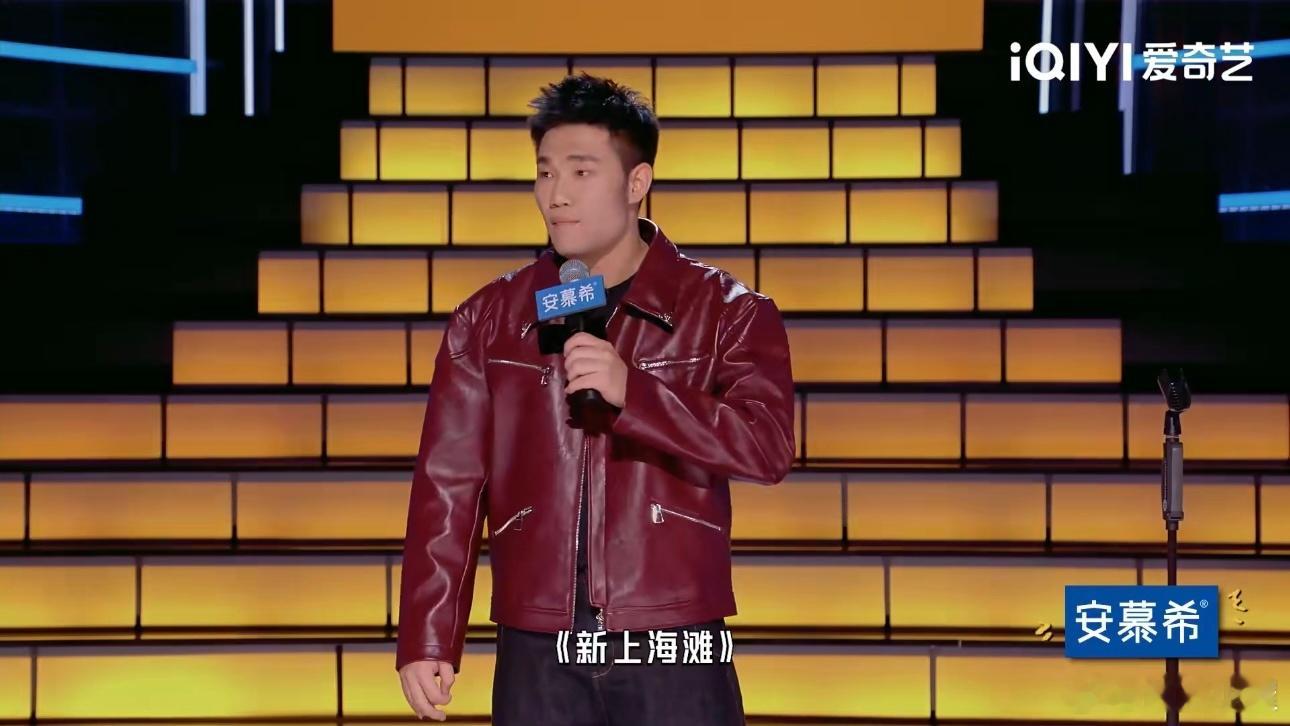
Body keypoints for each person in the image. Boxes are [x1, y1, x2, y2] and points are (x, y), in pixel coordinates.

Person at [395, 72, 795, 725]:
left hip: (674, 635)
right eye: (545, 173)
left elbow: (766, 445)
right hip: (537, 640)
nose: (556, 195)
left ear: (637, 183)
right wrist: (429, 634)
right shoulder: (488, 319)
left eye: (581, 173)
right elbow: (449, 483)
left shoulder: (728, 311)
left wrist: (634, 393)